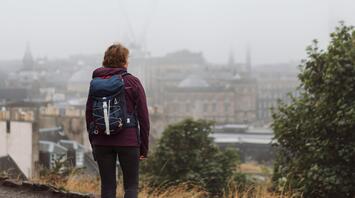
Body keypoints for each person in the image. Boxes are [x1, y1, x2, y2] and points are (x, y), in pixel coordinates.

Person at [85, 43, 150, 198]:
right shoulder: (133, 82)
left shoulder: (96, 83)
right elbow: (143, 117)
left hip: (101, 141)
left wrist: (94, 142)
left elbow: (89, 115)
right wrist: (143, 147)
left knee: (107, 187)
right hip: (128, 141)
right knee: (131, 187)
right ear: (124, 61)